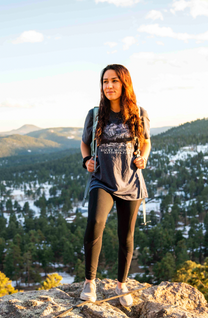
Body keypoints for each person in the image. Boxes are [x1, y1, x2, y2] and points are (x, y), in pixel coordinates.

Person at [79, 64, 151, 306]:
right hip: (102, 180)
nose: (108, 86)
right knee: (95, 223)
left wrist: (144, 159)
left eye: (114, 81)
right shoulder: (96, 114)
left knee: (126, 235)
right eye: (105, 81)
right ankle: (90, 281)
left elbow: (146, 143)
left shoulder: (139, 113)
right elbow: (85, 144)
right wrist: (87, 160)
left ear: (124, 83)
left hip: (130, 181)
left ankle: (122, 283)